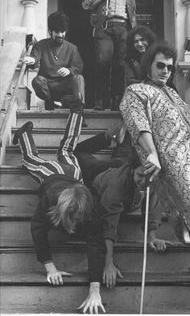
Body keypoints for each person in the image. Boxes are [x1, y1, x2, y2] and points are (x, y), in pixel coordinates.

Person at [120, 42, 190, 313]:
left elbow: (188, 112)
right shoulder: (136, 91)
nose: (166, 71)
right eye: (161, 65)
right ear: (149, 63)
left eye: (170, 68)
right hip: (174, 162)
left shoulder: (170, 91)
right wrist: (151, 154)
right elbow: (138, 124)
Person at [12, 98, 105, 314]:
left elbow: (96, 244)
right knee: (32, 160)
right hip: (51, 175)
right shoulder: (49, 202)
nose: (74, 228)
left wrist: (94, 288)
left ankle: (77, 112)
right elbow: (37, 228)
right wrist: (49, 266)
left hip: (74, 176)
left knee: (68, 150)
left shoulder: (90, 208)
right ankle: (23, 134)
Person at [73, 123, 160, 289]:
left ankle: (126, 131)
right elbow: (109, 224)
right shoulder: (116, 186)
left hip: (125, 159)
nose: (144, 182)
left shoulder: (149, 174)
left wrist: (152, 236)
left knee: (127, 149)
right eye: (140, 176)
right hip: (102, 170)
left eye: (147, 177)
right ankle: (107, 136)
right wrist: (108, 262)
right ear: (132, 171)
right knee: (77, 152)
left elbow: (152, 202)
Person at [82, 0, 136, 110]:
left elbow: (133, 15)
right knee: (102, 63)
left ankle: (116, 101)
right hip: (104, 28)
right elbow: (85, 4)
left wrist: (134, 34)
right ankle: (100, 100)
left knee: (120, 65)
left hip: (123, 29)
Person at [23, 11, 85, 110]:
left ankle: (78, 109)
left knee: (79, 78)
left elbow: (78, 67)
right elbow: (35, 56)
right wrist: (32, 59)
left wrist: (69, 70)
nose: (60, 35)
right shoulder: (41, 45)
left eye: (63, 32)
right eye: (57, 32)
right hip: (47, 86)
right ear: (50, 31)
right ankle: (51, 102)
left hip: (64, 85)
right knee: (37, 81)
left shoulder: (72, 48)